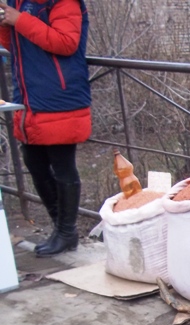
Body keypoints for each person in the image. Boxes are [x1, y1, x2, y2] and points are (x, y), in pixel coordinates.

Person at [0, 0, 91, 257]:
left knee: (63, 166)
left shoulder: (64, 2)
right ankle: (61, 229)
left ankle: (66, 231)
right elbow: (16, 45)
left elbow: (66, 42)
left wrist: (19, 19)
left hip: (60, 96)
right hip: (31, 97)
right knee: (34, 161)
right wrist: (5, 23)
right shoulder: (20, 3)